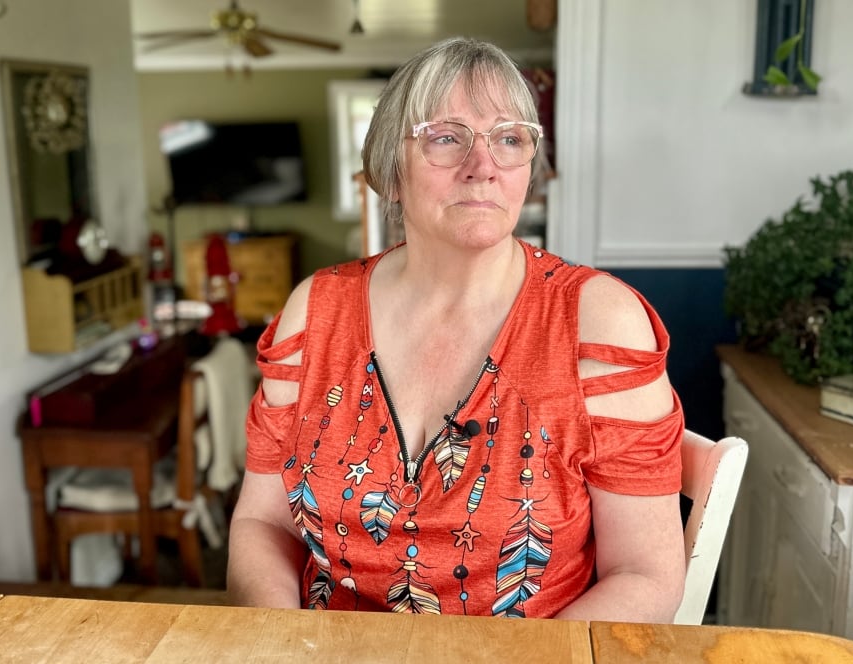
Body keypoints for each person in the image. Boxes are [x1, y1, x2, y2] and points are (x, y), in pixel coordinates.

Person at [228, 36, 686, 622]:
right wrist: (278, 646)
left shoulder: (597, 324)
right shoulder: (314, 312)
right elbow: (262, 522)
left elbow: (645, 575)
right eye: (447, 138)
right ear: (391, 172)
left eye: (509, 139)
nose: (483, 167)